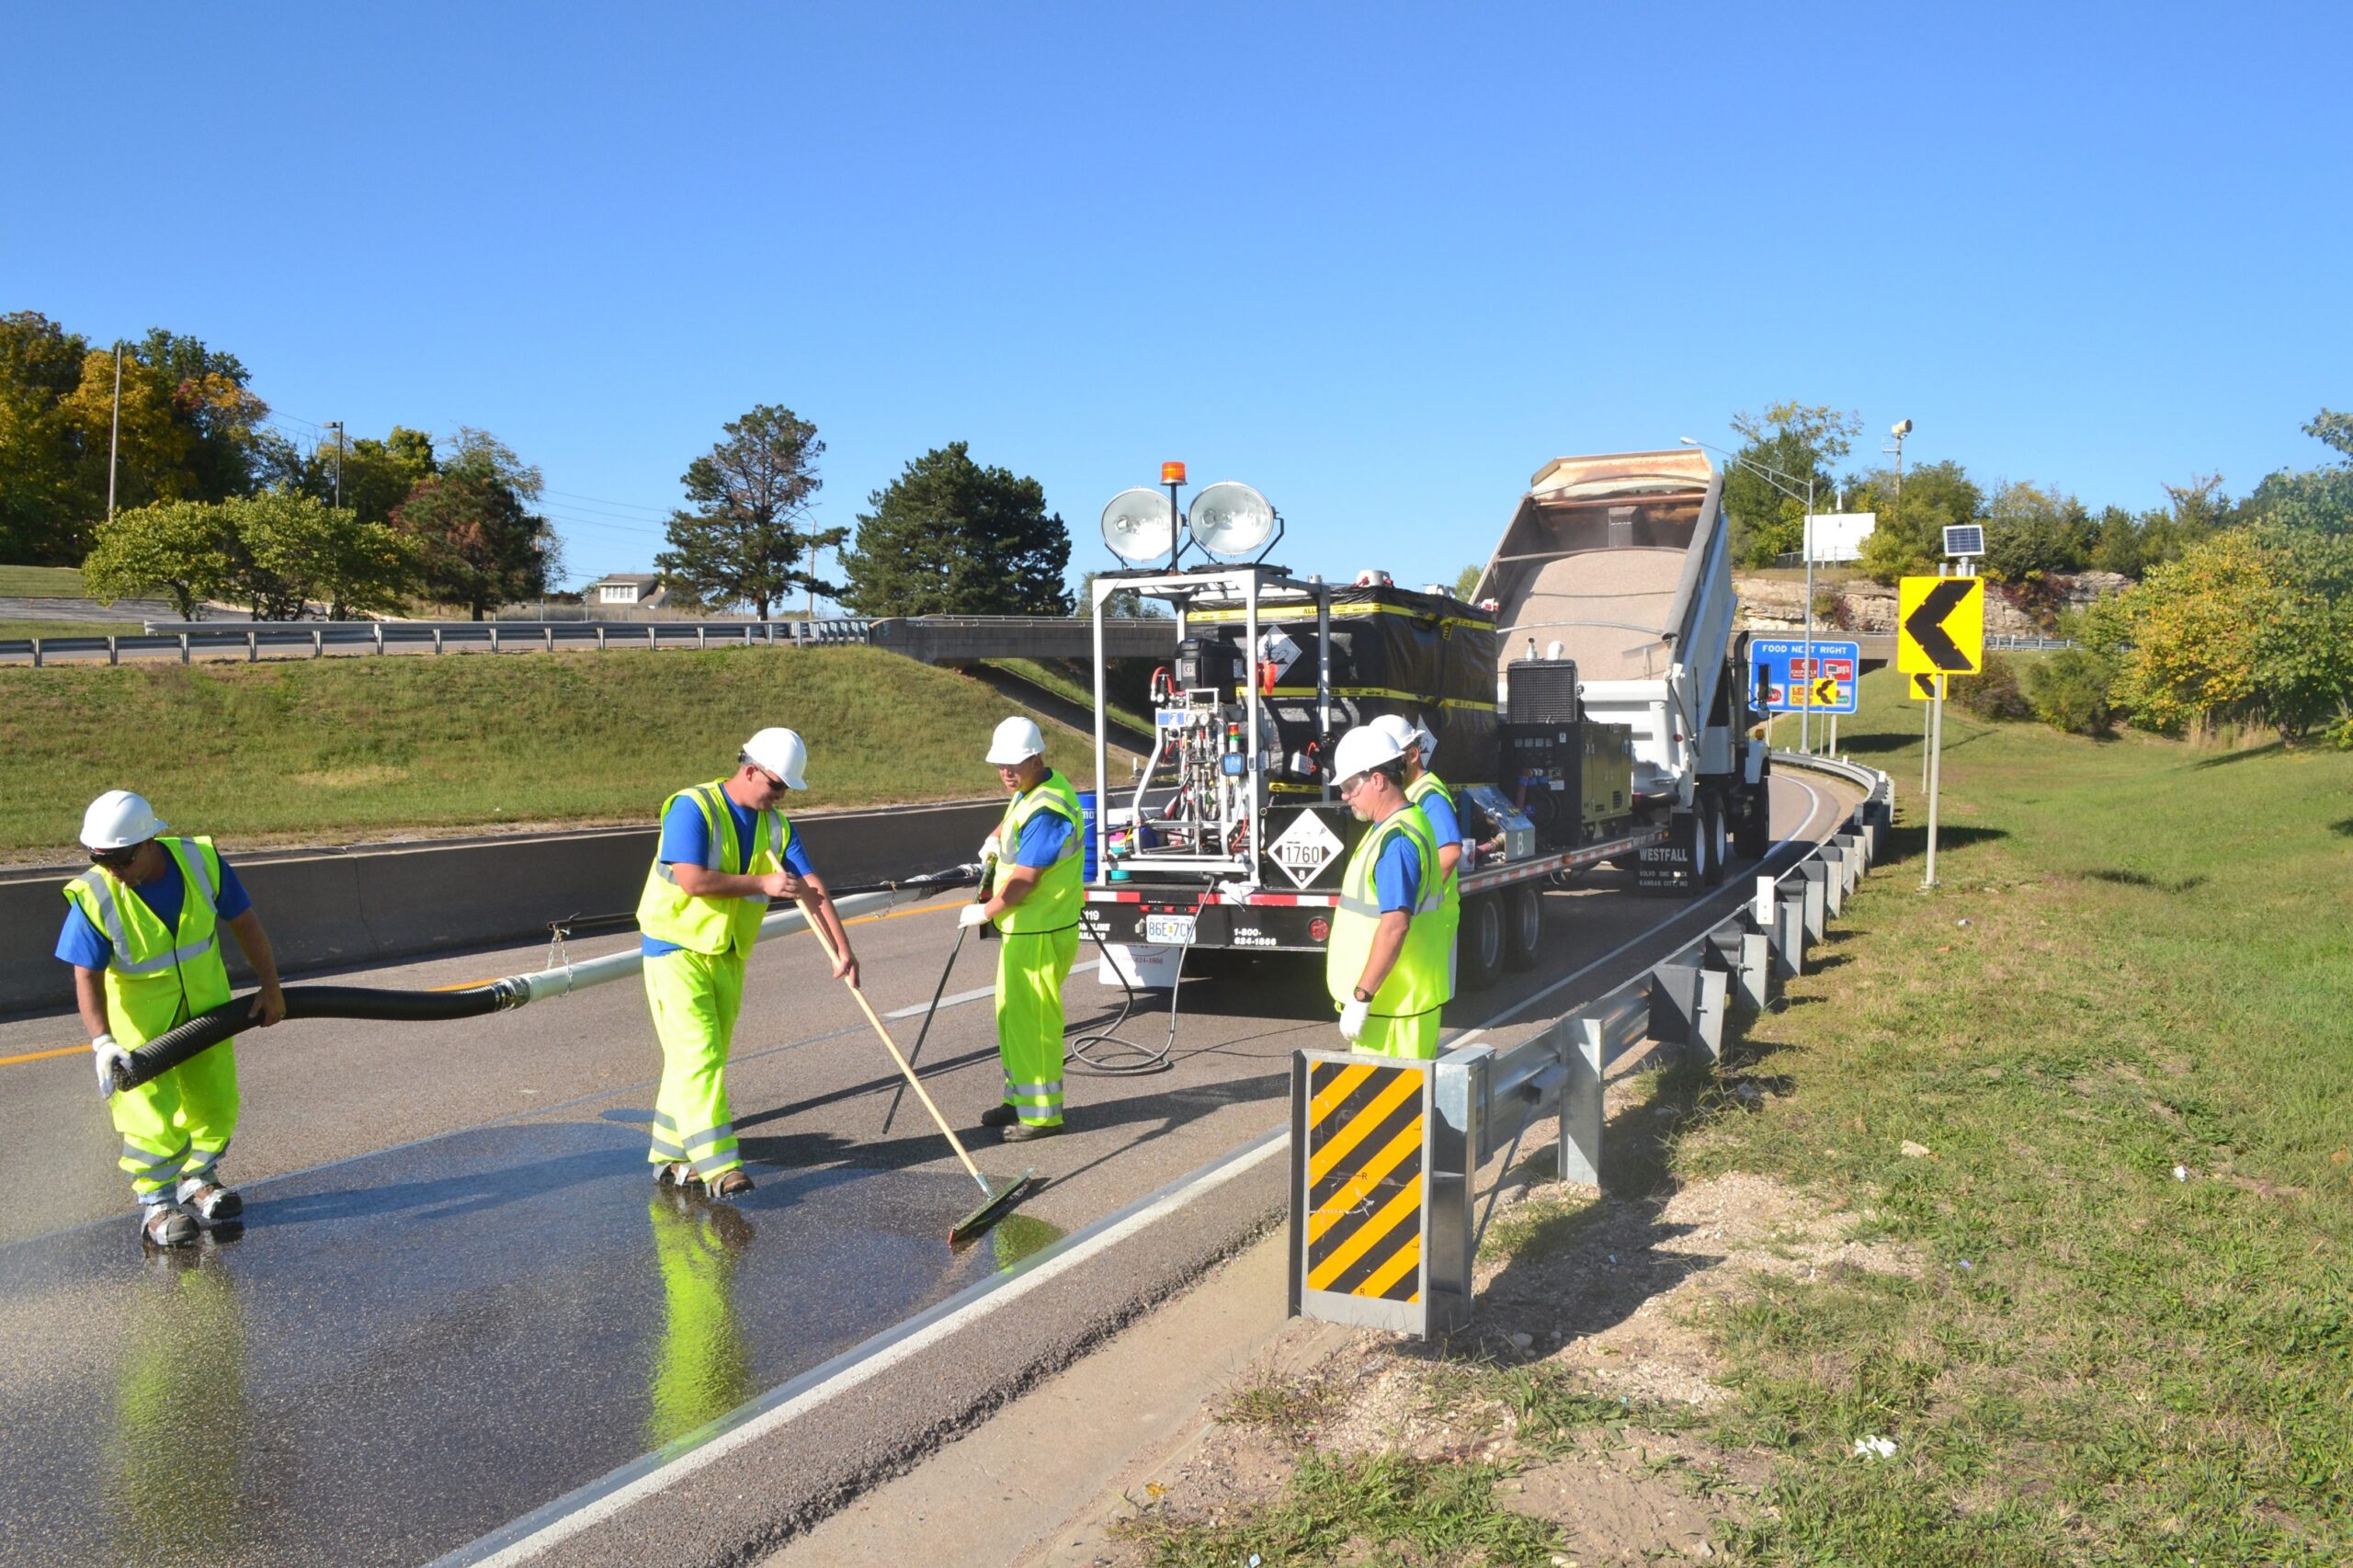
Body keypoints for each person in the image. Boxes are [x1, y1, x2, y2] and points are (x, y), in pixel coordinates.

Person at [635, 728, 858, 1198]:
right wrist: (763, 884)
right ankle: (720, 1167)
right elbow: (692, 881)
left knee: (698, 1059)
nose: (780, 796)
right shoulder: (693, 808)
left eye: (787, 789)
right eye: (776, 785)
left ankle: (670, 1155)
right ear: (751, 770)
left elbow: (811, 886)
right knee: (700, 1055)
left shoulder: (775, 825)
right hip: (675, 949)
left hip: (728, 952)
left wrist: (842, 948)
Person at [59, 790, 285, 1249]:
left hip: (207, 1013)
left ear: (150, 842)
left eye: (121, 859)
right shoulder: (96, 894)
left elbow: (245, 922)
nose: (112, 869)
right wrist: (102, 1041)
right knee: (149, 1119)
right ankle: (157, 1204)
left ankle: (199, 1179)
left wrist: (271, 987)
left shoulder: (201, 862)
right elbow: (86, 974)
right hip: (140, 1033)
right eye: (100, 859)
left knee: (214, 1099)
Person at [961, 717, 1085, 1141]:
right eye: (1000, 765)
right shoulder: (1033, 789)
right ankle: (1018, 1099)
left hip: (1040, 931)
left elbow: (1026, 879)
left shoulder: (1048, 809)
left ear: (1036, 758)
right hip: (1025, 931)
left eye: (1013, 765)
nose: (1005, 772)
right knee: (1012, 1017)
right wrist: (994, 839)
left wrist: (986, 910)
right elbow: (1013, 817)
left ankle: (1042, 1116)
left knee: (1034, 1025)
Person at [1324, 725, 1447, 1059]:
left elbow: (1395, 926)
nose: (1345, 796)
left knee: (1392, 1093)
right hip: (1394, 1006)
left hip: (1392, 1012)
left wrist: (1362, 996)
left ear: (1377, 780)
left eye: (1350, 786)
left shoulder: (1397, 841)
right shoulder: (1397, 826)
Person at [1373, 713, 1463, 992]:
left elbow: (1450, 852)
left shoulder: (1428, 796)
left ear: (1412, 755)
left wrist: (1411, 900)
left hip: (1428, 916)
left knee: (1416, 993)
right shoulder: (1412, 792)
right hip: (1422, 915)